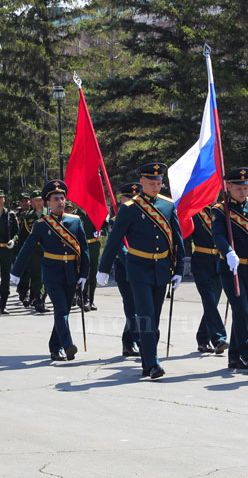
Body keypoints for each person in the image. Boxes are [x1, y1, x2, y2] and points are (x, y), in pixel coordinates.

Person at [96, 162, 186, 380]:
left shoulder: (167, 206)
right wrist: (103, 268)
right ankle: (153, 363)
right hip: (138, 269)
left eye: (159, 183)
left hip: (162, 268)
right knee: (145, 315)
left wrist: (179, 268)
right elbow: (115, 240)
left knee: (154, 318)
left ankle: (147, 363)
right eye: (152, 183)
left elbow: (177, 238)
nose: (156, 186)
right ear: (142, 182)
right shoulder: (130, 208)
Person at [9, 180, 89, 361]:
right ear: (48, 203)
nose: (60, 202)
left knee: (65, 312)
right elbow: (27, 248)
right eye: (56, 199)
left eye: (62, 198)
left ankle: (55, 347)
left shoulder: (76, 222)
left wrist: (84, 274)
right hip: (52, 273)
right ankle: (68, 345)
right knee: (60, 309)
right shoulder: (42, 224)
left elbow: (84, 251)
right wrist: (16, 271)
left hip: (71, 272)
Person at [212, 167, 248, 370]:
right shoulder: (220, 210)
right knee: (241, 310)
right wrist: (228, 252)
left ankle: (234, 356)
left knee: (244, 312)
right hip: (231, 268)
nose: (243, 191)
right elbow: (218, 236)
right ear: (228, 187)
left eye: (246, 187)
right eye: (239, 188)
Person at [106, 182, 141, 358]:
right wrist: (133, 258)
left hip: (142, 269)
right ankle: (139, 340)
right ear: (121, 200)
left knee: (139, 307)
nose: (133, 201)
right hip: (125, 270)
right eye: (129, 197)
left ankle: (128, 343)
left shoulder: (142, 217)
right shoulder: (115, 221)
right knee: (131, 306)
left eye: (136, 197)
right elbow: (119, 246)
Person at [191, 201, 228, 355]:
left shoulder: (221, 211)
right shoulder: (193, 211)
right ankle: (219, 338)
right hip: (202, 260)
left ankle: (202, 338)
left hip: (220, 261)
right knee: (209, 300)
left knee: (213, 302)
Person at [17, 191, 47, 311]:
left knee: (45, 275)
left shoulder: (50, 214)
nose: (38, 202)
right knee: (35, 275)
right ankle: (38, 299)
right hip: (34, 250)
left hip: (48, 249)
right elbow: (23, 236)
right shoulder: (28, 217)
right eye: (36, 200)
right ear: (32, 202)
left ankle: (40, 298)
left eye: (40, 200)